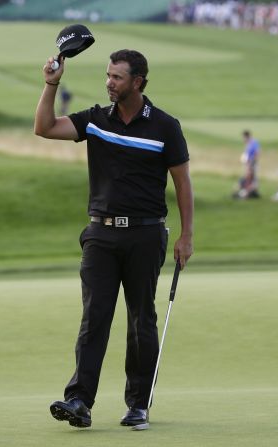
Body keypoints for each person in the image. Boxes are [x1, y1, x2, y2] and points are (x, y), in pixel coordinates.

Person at [34, 48, 194, 429]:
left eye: (117, 77)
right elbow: (44, 127)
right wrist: (50, 84)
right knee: (95, 318)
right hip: (101, 235)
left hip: (145, 234)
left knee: (141, 321)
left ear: (137, 82)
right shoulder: (95, 120)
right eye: (107, 75)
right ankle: (79, 402)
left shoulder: (165, 127)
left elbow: (183, 183)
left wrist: (187, 235)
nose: (109, 82)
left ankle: (138, 405)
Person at [234, 130, 261, 199]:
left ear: (247, 136)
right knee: (247, 178)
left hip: (252, 164)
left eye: (244, 137)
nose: (243, 139)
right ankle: (249, 192)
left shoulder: (254, 143)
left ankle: (251, 193)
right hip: (248, 164)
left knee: (251, 178)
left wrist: (252, 163)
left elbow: (257, 153)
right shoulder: (248, 144)